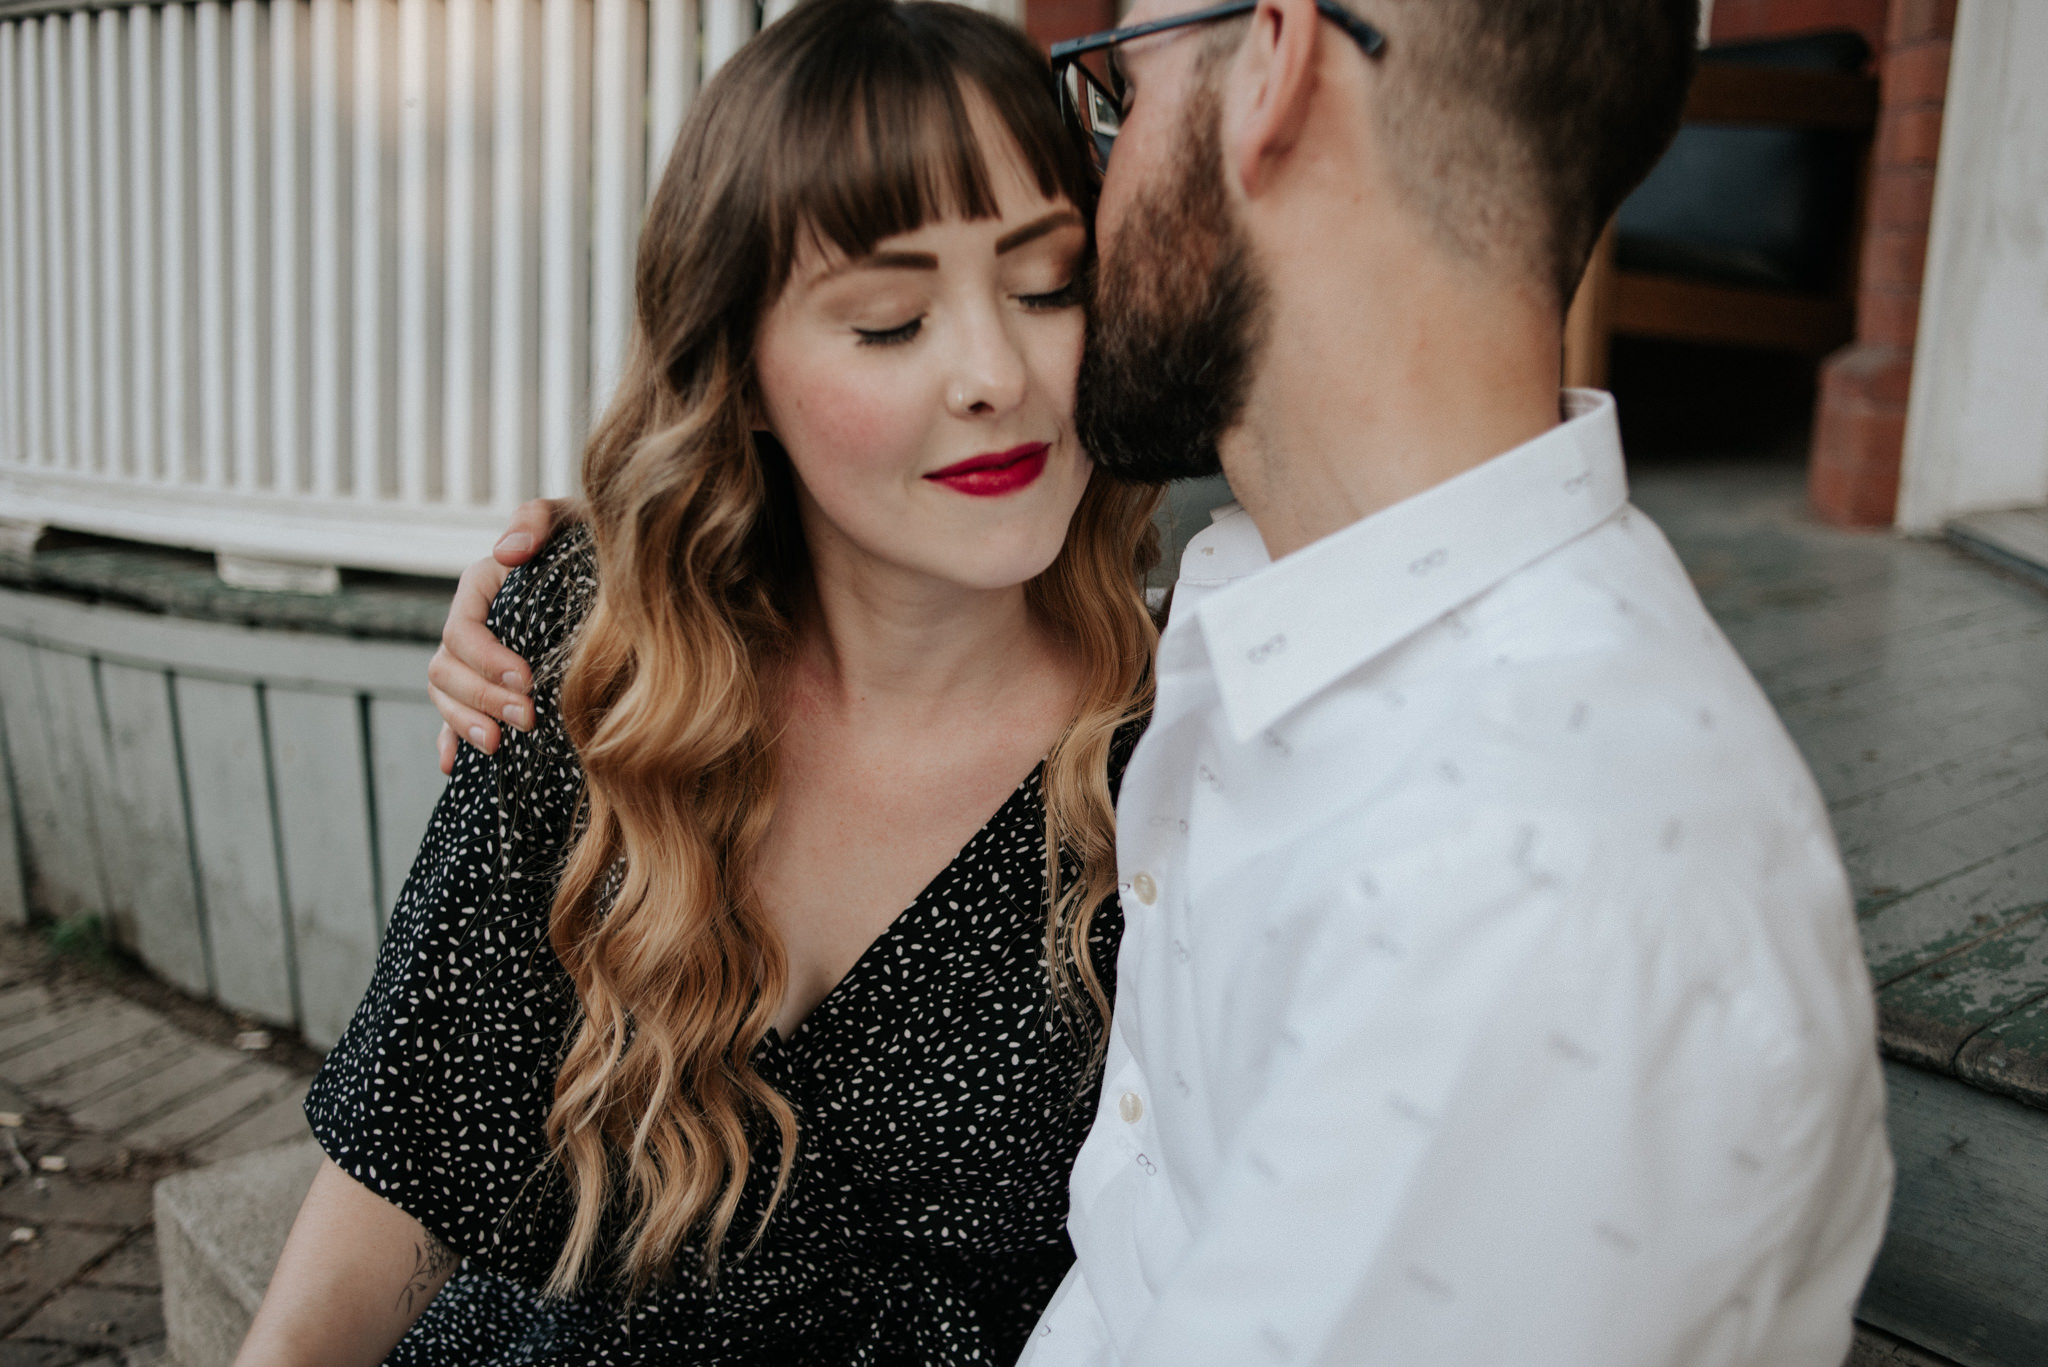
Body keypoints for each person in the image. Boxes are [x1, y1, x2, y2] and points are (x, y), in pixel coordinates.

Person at [446, 1, 1896, 1364]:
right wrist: (659, 577)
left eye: (1121, 87)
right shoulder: (1268, 644)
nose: (1101, 172)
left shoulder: (1532, 900)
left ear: (1271, 63)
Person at [234, 3, 1165, 1363]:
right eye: (891, 320)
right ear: (742, 377)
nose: (995, 374)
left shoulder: (1181, 740)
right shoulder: (594, 657)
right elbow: (414, 1150)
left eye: (1047, 286)